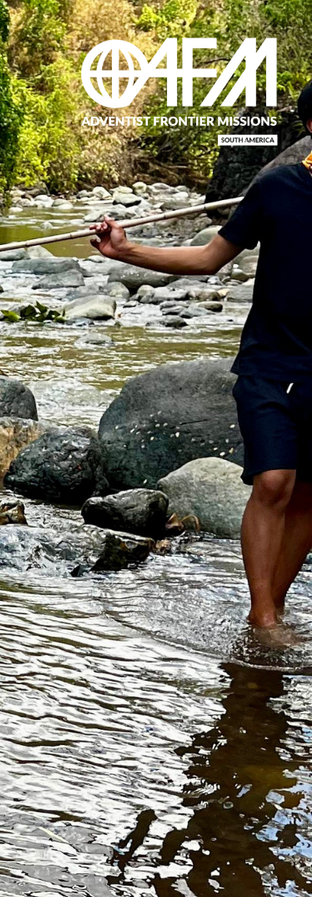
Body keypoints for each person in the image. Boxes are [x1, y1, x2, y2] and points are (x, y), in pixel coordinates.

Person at [89, 81, 312, 631]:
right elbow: (210, 257)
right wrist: (125, 249)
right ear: (311, 127)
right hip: (271, 364)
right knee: (275, 482)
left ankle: (270, 609)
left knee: (309, 494)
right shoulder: (277, 187)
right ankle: (263, 620)